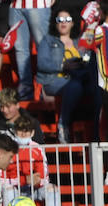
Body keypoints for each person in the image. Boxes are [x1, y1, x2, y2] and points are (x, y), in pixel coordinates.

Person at [37, 11, 103, 143]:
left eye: (67, 19)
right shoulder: (48, 40)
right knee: (74, 86)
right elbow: (42, 63)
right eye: (59, 19)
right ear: (55, 23)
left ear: (72, 23)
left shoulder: (79, 42)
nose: (63, 22)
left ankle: (98, 131)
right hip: (54, 80)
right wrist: (63, 66)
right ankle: (63, 124)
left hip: (80, 78)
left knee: (99, 90)